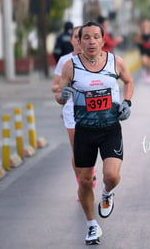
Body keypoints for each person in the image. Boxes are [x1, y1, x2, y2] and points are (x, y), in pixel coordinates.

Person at [55, 21, 134, 245]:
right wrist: (63, 95)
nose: (91, 42)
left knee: (111, 176)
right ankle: (91, 225)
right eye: (86, 37)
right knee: (85, 180)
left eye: (95, 37)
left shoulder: (115, 62)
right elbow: (59, 97)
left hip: (110, 129)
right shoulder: (70, 66)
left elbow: (129, 81)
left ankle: (108, 193)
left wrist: (127, 102)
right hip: (85, 131)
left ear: (102, 39)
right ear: (79, 41)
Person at [51, 26, 96, 200]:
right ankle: (82, 184)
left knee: (90, 149)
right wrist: (63, 89)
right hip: (71, 110)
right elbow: (55, 86)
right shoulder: (64, 61)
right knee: (77, 151)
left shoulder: (94, 59)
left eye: (82, 36)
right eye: (76, 37)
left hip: (92, 110)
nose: (79, 40)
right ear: (72, 41)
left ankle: (89, 174)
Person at [133, 19, 150, 84]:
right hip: (143, 49)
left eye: (147, 24)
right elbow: (136, 39)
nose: (145, 25)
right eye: (144, 24)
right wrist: (142, 42)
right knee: (144, 61)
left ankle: (149, 76)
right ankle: (144, 69)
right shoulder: (140, 32)